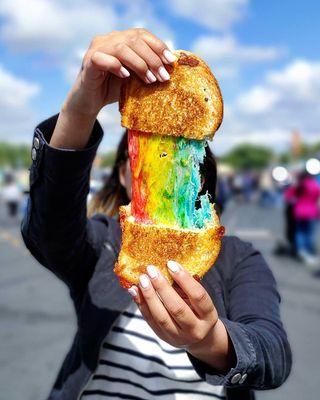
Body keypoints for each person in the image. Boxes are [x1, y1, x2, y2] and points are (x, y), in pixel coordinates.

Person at [21, 29, 291, 400]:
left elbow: (272, 354)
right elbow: (48, 231)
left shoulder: (238, 258)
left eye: (175, 160)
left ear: (200, 174)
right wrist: (80, 108)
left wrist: (210, 340)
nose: (159, 170)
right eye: (143, 158)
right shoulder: (105, 244)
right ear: (121, 175)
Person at [285, 172, 320, 264]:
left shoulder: (298, 186)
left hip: (299, 212)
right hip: (311, 212)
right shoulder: (314, 185)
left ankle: (301, 251)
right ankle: (308, 251)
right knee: (308, 233)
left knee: (299, 232)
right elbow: (317, 200)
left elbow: (288, 198)